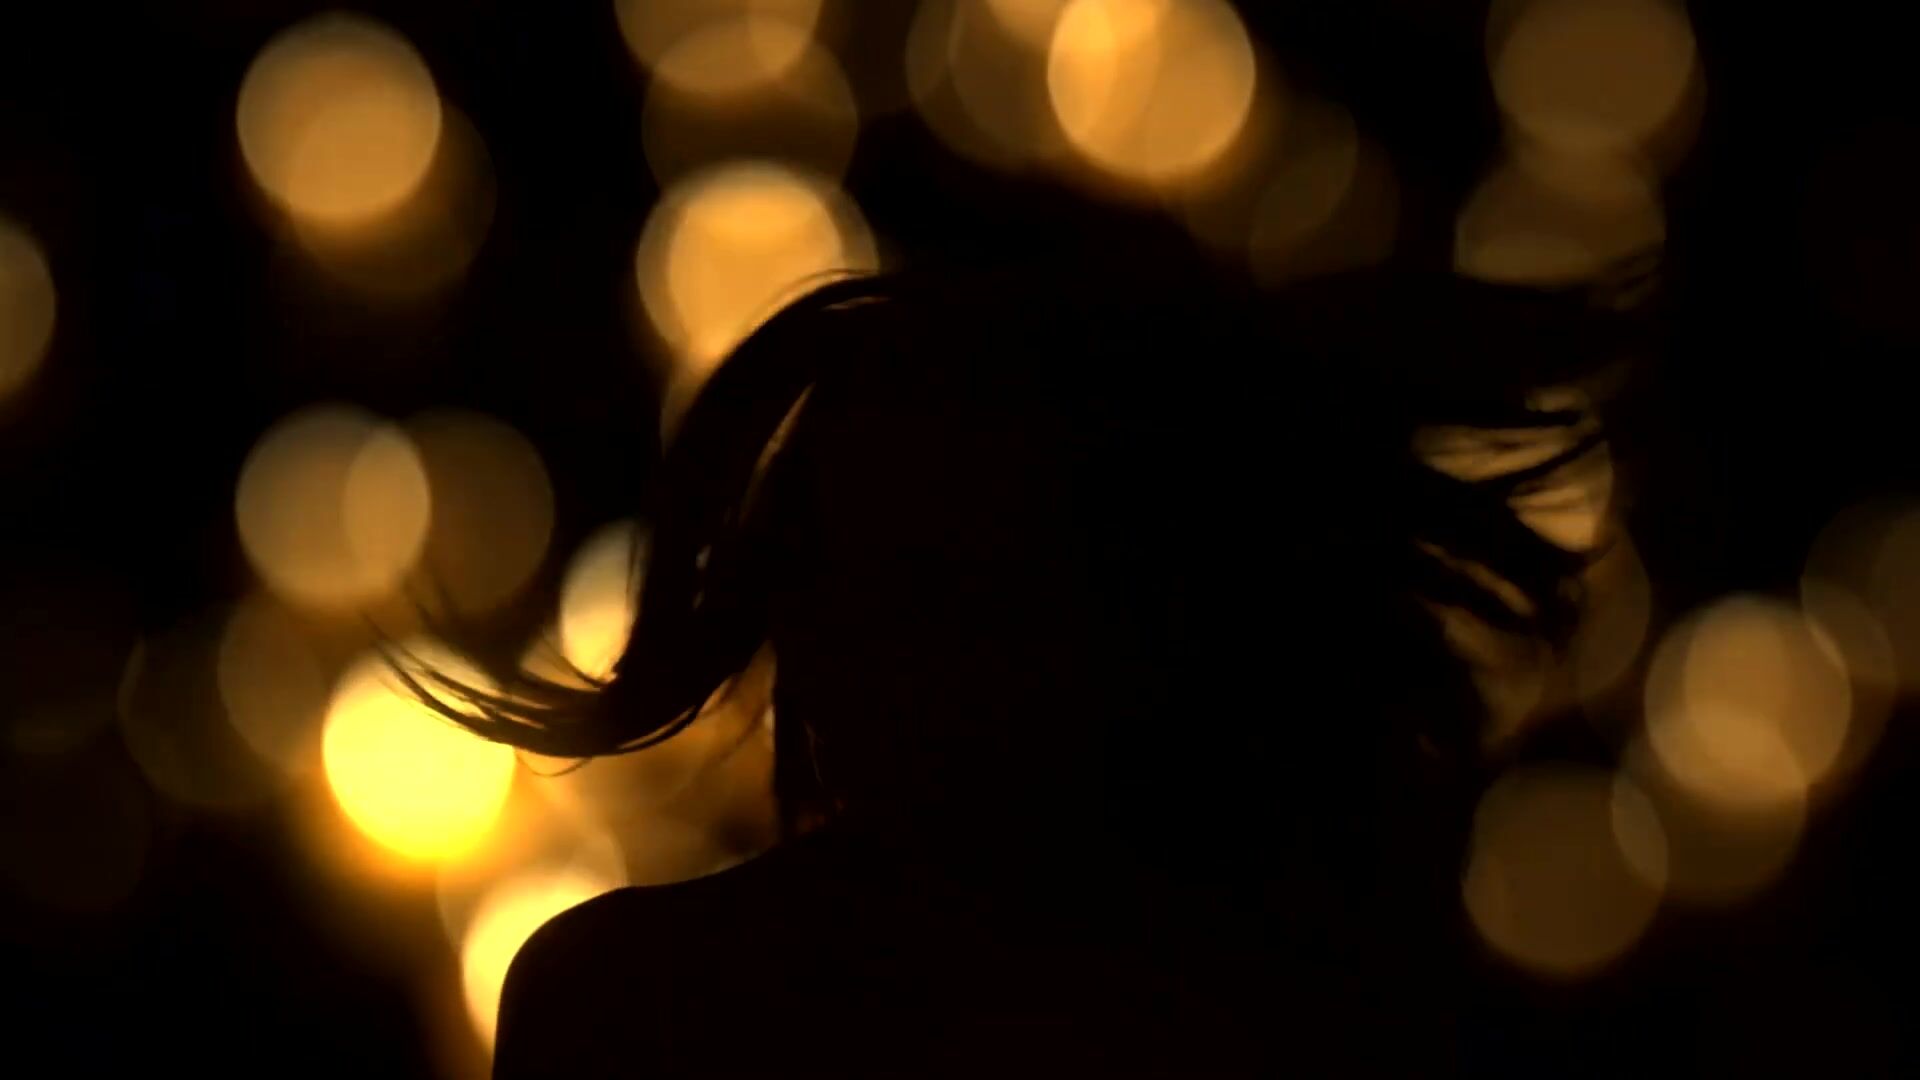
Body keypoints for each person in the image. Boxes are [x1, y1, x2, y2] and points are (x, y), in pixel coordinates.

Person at [409, 238, 1658, 1076]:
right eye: (848, 574)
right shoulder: (1326, 1016)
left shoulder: (645, 1004)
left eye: (959, 586)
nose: (862, 649)